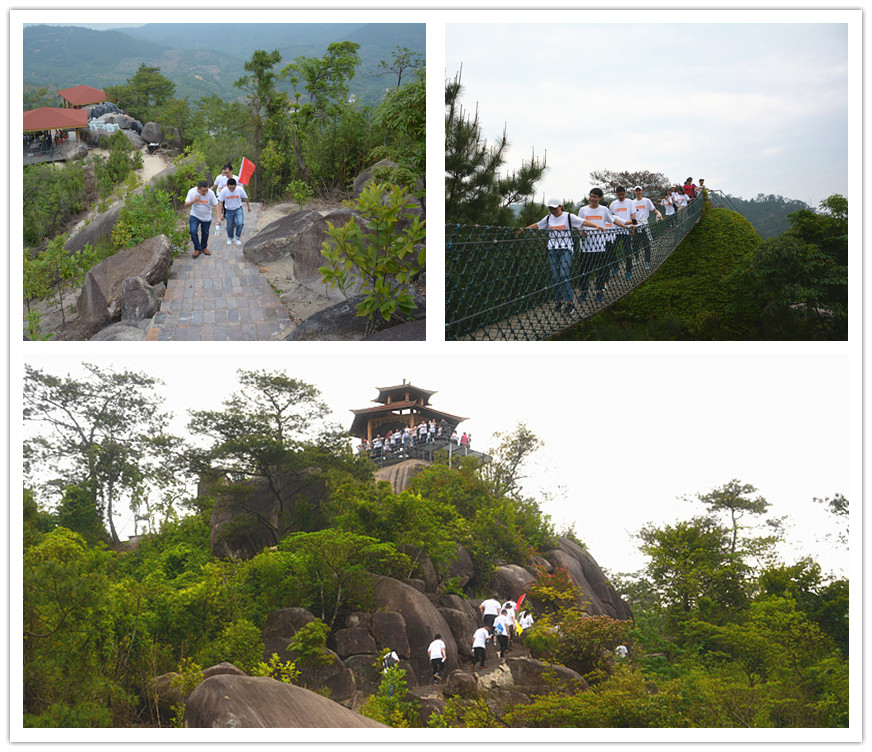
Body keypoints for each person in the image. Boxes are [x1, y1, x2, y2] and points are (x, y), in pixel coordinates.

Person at [522, 199, 603, 315]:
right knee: (555, 277)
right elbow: (538, 225)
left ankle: (570, 303)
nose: (553, 210)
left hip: (566, 248)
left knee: (564, 274)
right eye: (551, 208)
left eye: (555, 208)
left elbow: (583, 222)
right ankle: (559, 300)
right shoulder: (548, 218)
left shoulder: (569, 216)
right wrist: (524, 230)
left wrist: (596, 225)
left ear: (560, 206)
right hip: (552, 249)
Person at [579, 188, 633, 303]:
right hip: (586, 246)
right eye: (591, 196)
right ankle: (584, 292)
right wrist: (581, 232)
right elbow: (580, 224)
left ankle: (599, 292)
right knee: (584, 271)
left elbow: (613, 220)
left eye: (595, 197)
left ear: (600, 198)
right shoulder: (582, 210)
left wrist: (626, 227)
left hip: (600, 245)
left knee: (601, 270)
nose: (592, 199)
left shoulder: (604, 210)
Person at [608, 186, 637, 280]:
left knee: (628, 252)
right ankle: (615, 266)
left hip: (626, 230)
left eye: (622, 194)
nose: (620, 196)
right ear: (616, 194)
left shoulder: (629, 202)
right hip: (615, 231)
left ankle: (628, 271)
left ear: (625, 193)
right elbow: (609, 216)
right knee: (611, 250)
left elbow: (633, 214)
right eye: (619, 194)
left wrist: (633, 227)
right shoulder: (613, 204)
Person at [185, 180, 219, 258]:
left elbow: (216, 205)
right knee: (193, 231)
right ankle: (197, 249)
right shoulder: (192, 192)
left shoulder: (210, 193)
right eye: (203, 191)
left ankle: (204, 247)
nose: (205, 193)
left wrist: (218, 217)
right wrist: (193, 201)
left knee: (205, 233)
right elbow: (186, 204)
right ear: (198, 189)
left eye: (206, 190)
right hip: (195, 215)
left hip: (206, 217)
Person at [631, 186, 662, 271]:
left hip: (645, 225)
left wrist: (659, 214)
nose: (638, 192)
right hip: (636, 226)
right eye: (636, 191)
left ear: (642, 191)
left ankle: (647, 262)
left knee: (646, 245)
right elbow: (631, 214)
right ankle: (636, 258)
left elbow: (654, 209)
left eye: (639, 190)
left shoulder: (647, 201)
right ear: (634, 192)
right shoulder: (632, 202)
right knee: (635, 245)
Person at [217, 178, 251, 246]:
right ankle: (230, 237)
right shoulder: (224, 191)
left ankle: (237, 238)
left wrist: (248, 206)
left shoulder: (240, 189)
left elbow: (246, 197)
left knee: (240, 223)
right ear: (227, 186)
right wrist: (220, 214)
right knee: (230, 226)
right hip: (229, 210)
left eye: (233, 188)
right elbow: (220, 202)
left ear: (236, 185)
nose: (232, 189)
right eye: (230, 188)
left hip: (238, 209)